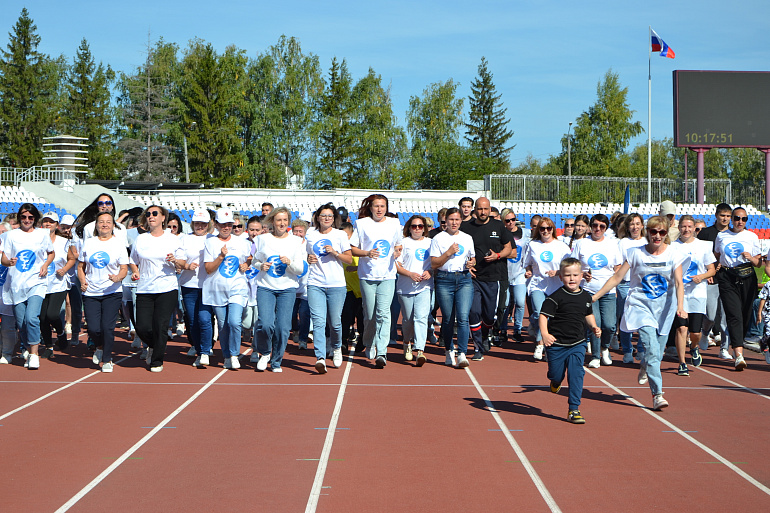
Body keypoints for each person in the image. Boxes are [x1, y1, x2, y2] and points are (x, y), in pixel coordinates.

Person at [592, 216, 686, 411]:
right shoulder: (635, 253)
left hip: (664, 309)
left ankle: (645, 364)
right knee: (651, 348)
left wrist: (681, 306)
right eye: (654, 232)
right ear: (647, 232)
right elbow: (617, 277)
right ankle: (657, 394)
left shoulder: (674, 253)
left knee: (656, 353)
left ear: (666, 234)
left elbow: (679, 282)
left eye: (661, 232)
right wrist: (595, 296)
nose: (657, 236)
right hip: (640, 306)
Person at [540, 258, 601, 424]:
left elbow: (588, 314)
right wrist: (545, 334)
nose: (572, 278)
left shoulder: (586, 296)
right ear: (560, 277)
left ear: (582, 276)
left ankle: (574, 409)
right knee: (555, 374)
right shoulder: (555, 297)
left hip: (577, 343)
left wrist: (594, 326)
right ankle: (555, 381)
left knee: (576, 374)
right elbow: (543, 316)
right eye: (567, 275)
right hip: (556, 345)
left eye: (575, 275)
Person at [129, 206, 185, 372]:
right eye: (148, 214)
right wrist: (136, 271)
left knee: (160, 325)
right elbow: (133, 260)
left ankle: (157, 360)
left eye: (155, 214)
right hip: (145, 288)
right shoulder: (141, 239)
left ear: (163, 218)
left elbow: (183, 263)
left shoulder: (172, 239)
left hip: (167, 288)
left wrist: (175, 261)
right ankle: (154, 345)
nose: (151, 216)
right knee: (142, 327)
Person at [350, 195, 402, 368]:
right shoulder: (362, 224)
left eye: (382, 206)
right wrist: (367, 253)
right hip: (367, 275)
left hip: (387, 275)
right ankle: (369, 342)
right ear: (370, 208)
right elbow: (353, 249)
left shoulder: (394, 223)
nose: (379, 209)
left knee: (383, 313)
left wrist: (397, 251)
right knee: (370, 314)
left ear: (386, 208)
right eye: (376, 206)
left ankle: (382, 351)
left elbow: (398, 244)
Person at [252, 207, 307, 372]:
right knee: (266, 324)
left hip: (287, 288)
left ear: (288, 222)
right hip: (266, 287)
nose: (282, 223)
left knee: (282, 328)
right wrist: (261, 266)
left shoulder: (296, 241)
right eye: (278, 220)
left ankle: (276, 361)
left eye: (285, 220)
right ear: (272, 222)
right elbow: (255, 261)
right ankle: (265, 352)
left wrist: (289, 262)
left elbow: (300, 269)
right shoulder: (262, 239)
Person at [1, 203, 55, 370]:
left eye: (30, 217)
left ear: (35, 218)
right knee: (22, 322)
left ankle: (34, 354)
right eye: (23, 217)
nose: (27, 220)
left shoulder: (42, 234)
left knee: (31, 317)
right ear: (19, 217)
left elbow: (51, 253)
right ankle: (28, 348)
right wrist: (9, 262)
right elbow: (4, 258)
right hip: (17, 284)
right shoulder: (10, 235)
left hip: (37, 281)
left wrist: (45, 264)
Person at [461, 197, 513, 360]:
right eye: (480, 209)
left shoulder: (499, 226)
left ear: (490, 209)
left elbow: (509, 248)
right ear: (475, 210)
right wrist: (467, 266)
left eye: (485, 209)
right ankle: (478, 346)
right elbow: (461, 250)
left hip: (493, 277)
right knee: (474, 312)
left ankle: (485, 335)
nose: (483, 212)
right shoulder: (466, 227)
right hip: (473, 278)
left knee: (489, 316)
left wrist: (497, 255)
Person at [78, 212, 129, 372]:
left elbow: (124, 268)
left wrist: (118, 277)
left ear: (113, 225)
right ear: (96, 225)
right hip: (91, 292)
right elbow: (81, 266)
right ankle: (99, 346)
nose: (104, 225)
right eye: (101, 222)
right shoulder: (89, 243)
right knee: (93, 328)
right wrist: (82, 281)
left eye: (108, 222)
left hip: (112, 292)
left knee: (107, 327)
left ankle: (107, 359)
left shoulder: (118, 244)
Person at [306, 204, 353, 373]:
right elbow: (306, 254)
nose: (326, 218)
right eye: (323, 215)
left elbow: (349, 259)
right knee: (319, 322)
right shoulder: (310, 234)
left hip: (336, 284)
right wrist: (308, 258)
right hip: (315, 283)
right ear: (317, 217)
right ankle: (320, 357)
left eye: (330, 216)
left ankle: (336, 346)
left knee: (335, 322)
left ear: (334, 219)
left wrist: (335, 253)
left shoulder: (340, 235)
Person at [570, 214, 622, 368]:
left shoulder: (613, 244)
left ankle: (604, 347)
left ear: (606, 228)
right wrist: (582, 274)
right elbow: (573, 265)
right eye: (595, 225)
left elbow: (618, 266)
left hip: (608, 291)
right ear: (590, 227)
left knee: (610, 325)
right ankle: (595, 356)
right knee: (595, 324)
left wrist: (614, 279)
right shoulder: (582, 243)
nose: (598, 229)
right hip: (588, 290)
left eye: (602, 226)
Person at [203, 208, 252, 370]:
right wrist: (221, 257)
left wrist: (246, 264)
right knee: (223, 325)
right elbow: (208, 269)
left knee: (234, 322)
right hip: (216, 290)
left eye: (229, 224)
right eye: (223, 224)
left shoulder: (242, 242)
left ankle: (234, 354)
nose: (226, 227)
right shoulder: (210, 242)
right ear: (216, 225)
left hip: (237, 287)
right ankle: (226, 355)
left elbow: (250, 257)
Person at [713, 207, 761, 370]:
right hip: (727, 277)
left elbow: (759, 263)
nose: (740, 222)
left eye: (744, 219)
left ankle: (738, 342)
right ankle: (739, 355)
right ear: (732, 219)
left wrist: (751, 258)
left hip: (747, 276)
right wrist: (714, 269)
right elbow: (717, 255)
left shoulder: (751, 236)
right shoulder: (722, 236)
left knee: (746, 315)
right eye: (737, 218)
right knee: (734, 315)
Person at [430, 207, 475, 368]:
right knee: (448, 318)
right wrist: (448, 253)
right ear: (446, 221)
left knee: (463, 317)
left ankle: (462, 353)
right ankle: (449, 350)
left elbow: (472, 258)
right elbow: (434, 263)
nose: (454, 223)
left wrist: (472, 263)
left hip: (464, 279)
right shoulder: (438, 238)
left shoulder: (467, 238)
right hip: (444, 279)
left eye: (457, 219)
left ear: (461, 221)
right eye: (451, 220)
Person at [672, 215, 716, 374]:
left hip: (697, 293)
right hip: (679, 295)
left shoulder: (703, 246)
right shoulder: (672, 247)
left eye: (689, 227)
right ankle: (682, 363)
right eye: (684, 226)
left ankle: (694, 346)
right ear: (679, 228)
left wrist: (701, 276)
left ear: (694, 229)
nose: (686, 229)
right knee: (681, 328)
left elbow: (712, 269)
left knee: (695, 332)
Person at [523, 217, 571, 361]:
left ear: (553, 230)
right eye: (542, 228)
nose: (545, 231)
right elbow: (527, 263)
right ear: (538, 230)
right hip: (538, 284)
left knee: (551, 317)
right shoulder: (533, 245)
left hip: (556, 285)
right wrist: (529, 271)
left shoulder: (561, 246)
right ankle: (539, 344)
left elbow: (569, 266)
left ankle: (547, 345)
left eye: (548, 228)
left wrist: (557, 272)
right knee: (540, 313)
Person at [395, 215, 433, 366]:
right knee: (408, 320)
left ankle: (420, 350)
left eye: (420, 226)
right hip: (406, 287)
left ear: (424, 228)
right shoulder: (403, 243)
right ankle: (406, 342)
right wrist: (410, 274)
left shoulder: (431, 243)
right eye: (414, 226)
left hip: (425, 286)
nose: (417, 229)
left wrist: (430, 272)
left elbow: (437, 262)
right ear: (409, 228)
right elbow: (397, 265)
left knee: (421, 317)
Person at [698, 203, 733, 358]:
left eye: (728, 216)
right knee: (711, 316)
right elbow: (698, 255)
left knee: (726, 316)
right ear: (716, 215)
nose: (725, 219)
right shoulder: (706, 233)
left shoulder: (733, 234)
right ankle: (705, 332)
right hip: (710, 279)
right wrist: (707, 272)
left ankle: (724, 348)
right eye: (722, 215)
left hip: (729, 280)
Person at [179, 210, 214, 366]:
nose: (200, 226)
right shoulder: (184, 239)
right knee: (192, 321)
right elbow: (179, 260)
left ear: (208, 224)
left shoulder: (213, 239)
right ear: (193, 224)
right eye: (197, 223)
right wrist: (186, 265)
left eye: (203, 224)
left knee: (204, 319)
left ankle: (205, 351)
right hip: (189, 285)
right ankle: (199, 350)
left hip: (208, 285)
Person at [39, 212, 74, 357]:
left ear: (57, 225)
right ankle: (48, 347)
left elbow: (71, 259)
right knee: (42, 318)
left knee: (52, 314)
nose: (48, 224)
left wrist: (64, 269)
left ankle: (60, 333)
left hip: (58, 283)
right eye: (45, 221)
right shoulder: (37, 240)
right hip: (40, 283)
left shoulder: (63, 242)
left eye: (51, 222)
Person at [616, 213, 647, 363]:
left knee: (643, 318)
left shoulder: (647, 241)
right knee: (626, 318)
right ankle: (627, 350)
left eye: (637, 223)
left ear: (642, 226)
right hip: (625, 284)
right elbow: (618, 264)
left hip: (643, 285)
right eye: (632, 224)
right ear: (627, 227)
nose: (635, 227)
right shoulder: (622, 243)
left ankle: (641, 349)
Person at [500, 210, 528, 342]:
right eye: (507, 220)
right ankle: (503, 329)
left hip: (520, 272)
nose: (511, 222)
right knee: (505, 304)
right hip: (504, 273)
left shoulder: (525, 233)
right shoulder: (501, 233)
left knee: (520, 302)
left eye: (513, 219)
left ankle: (517, 329)